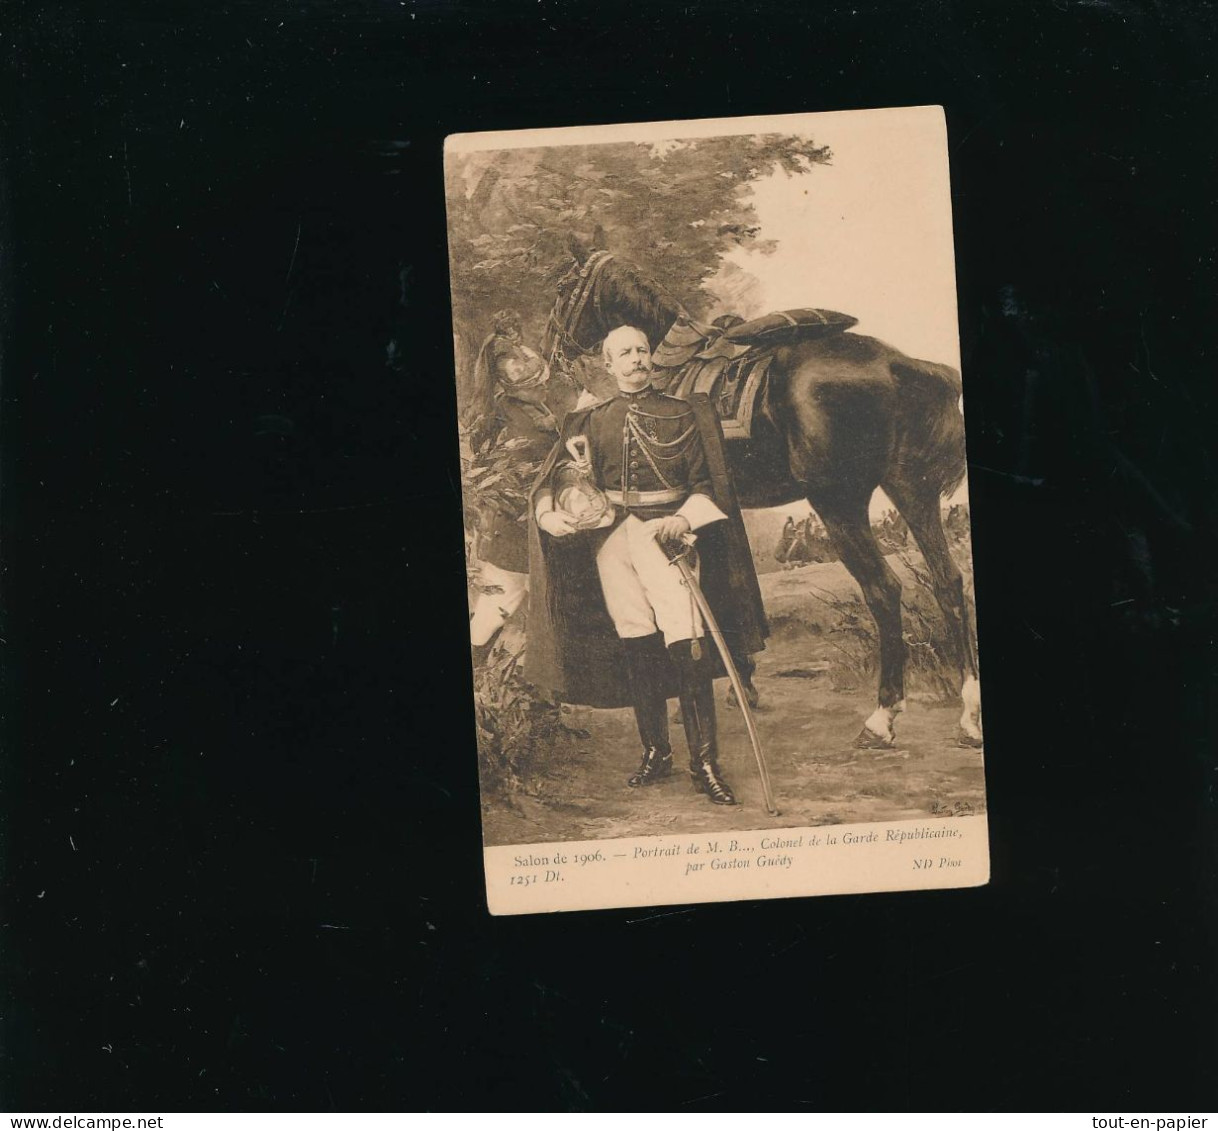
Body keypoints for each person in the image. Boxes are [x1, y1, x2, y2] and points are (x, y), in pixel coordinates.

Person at [525, 325, 767, 806]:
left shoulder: (683, 413)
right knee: (637, 643)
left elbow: (706, 483)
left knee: (687, 643)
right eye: (623, 353)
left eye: (640, 350)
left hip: (667, 536)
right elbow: (562, 475)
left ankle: (704, 763)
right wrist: (550, 511)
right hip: (612, 540)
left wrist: (682, 518)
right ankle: (656, 752)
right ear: (608, 364)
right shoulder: (590, 420)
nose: (635, 359)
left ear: (650, 358)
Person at [466, 311, 558, 664]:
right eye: (505, 361)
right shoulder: (495, 412)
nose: (516, 366)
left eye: (518, 357)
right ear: (496, 370)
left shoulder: (540, 404)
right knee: (497, 607)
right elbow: (484, 468)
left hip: (545, 519)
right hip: (512, 524)